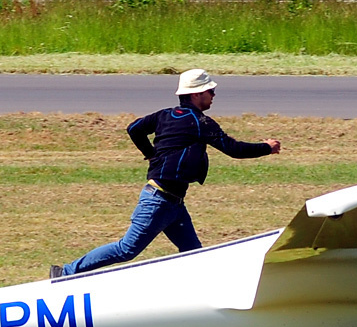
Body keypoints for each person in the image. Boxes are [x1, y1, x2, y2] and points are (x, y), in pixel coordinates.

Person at [52, 69, 281, 277]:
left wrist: (150, 153)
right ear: (196, 94)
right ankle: (66, 273)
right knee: (127, 249)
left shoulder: (164, 115)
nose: (213, 94)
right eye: (210, 90)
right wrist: (267, 147)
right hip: (159, 201)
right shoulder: (200, 122)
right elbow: (234, 149)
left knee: (194, 254)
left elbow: (135, 129)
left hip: (174, 204)